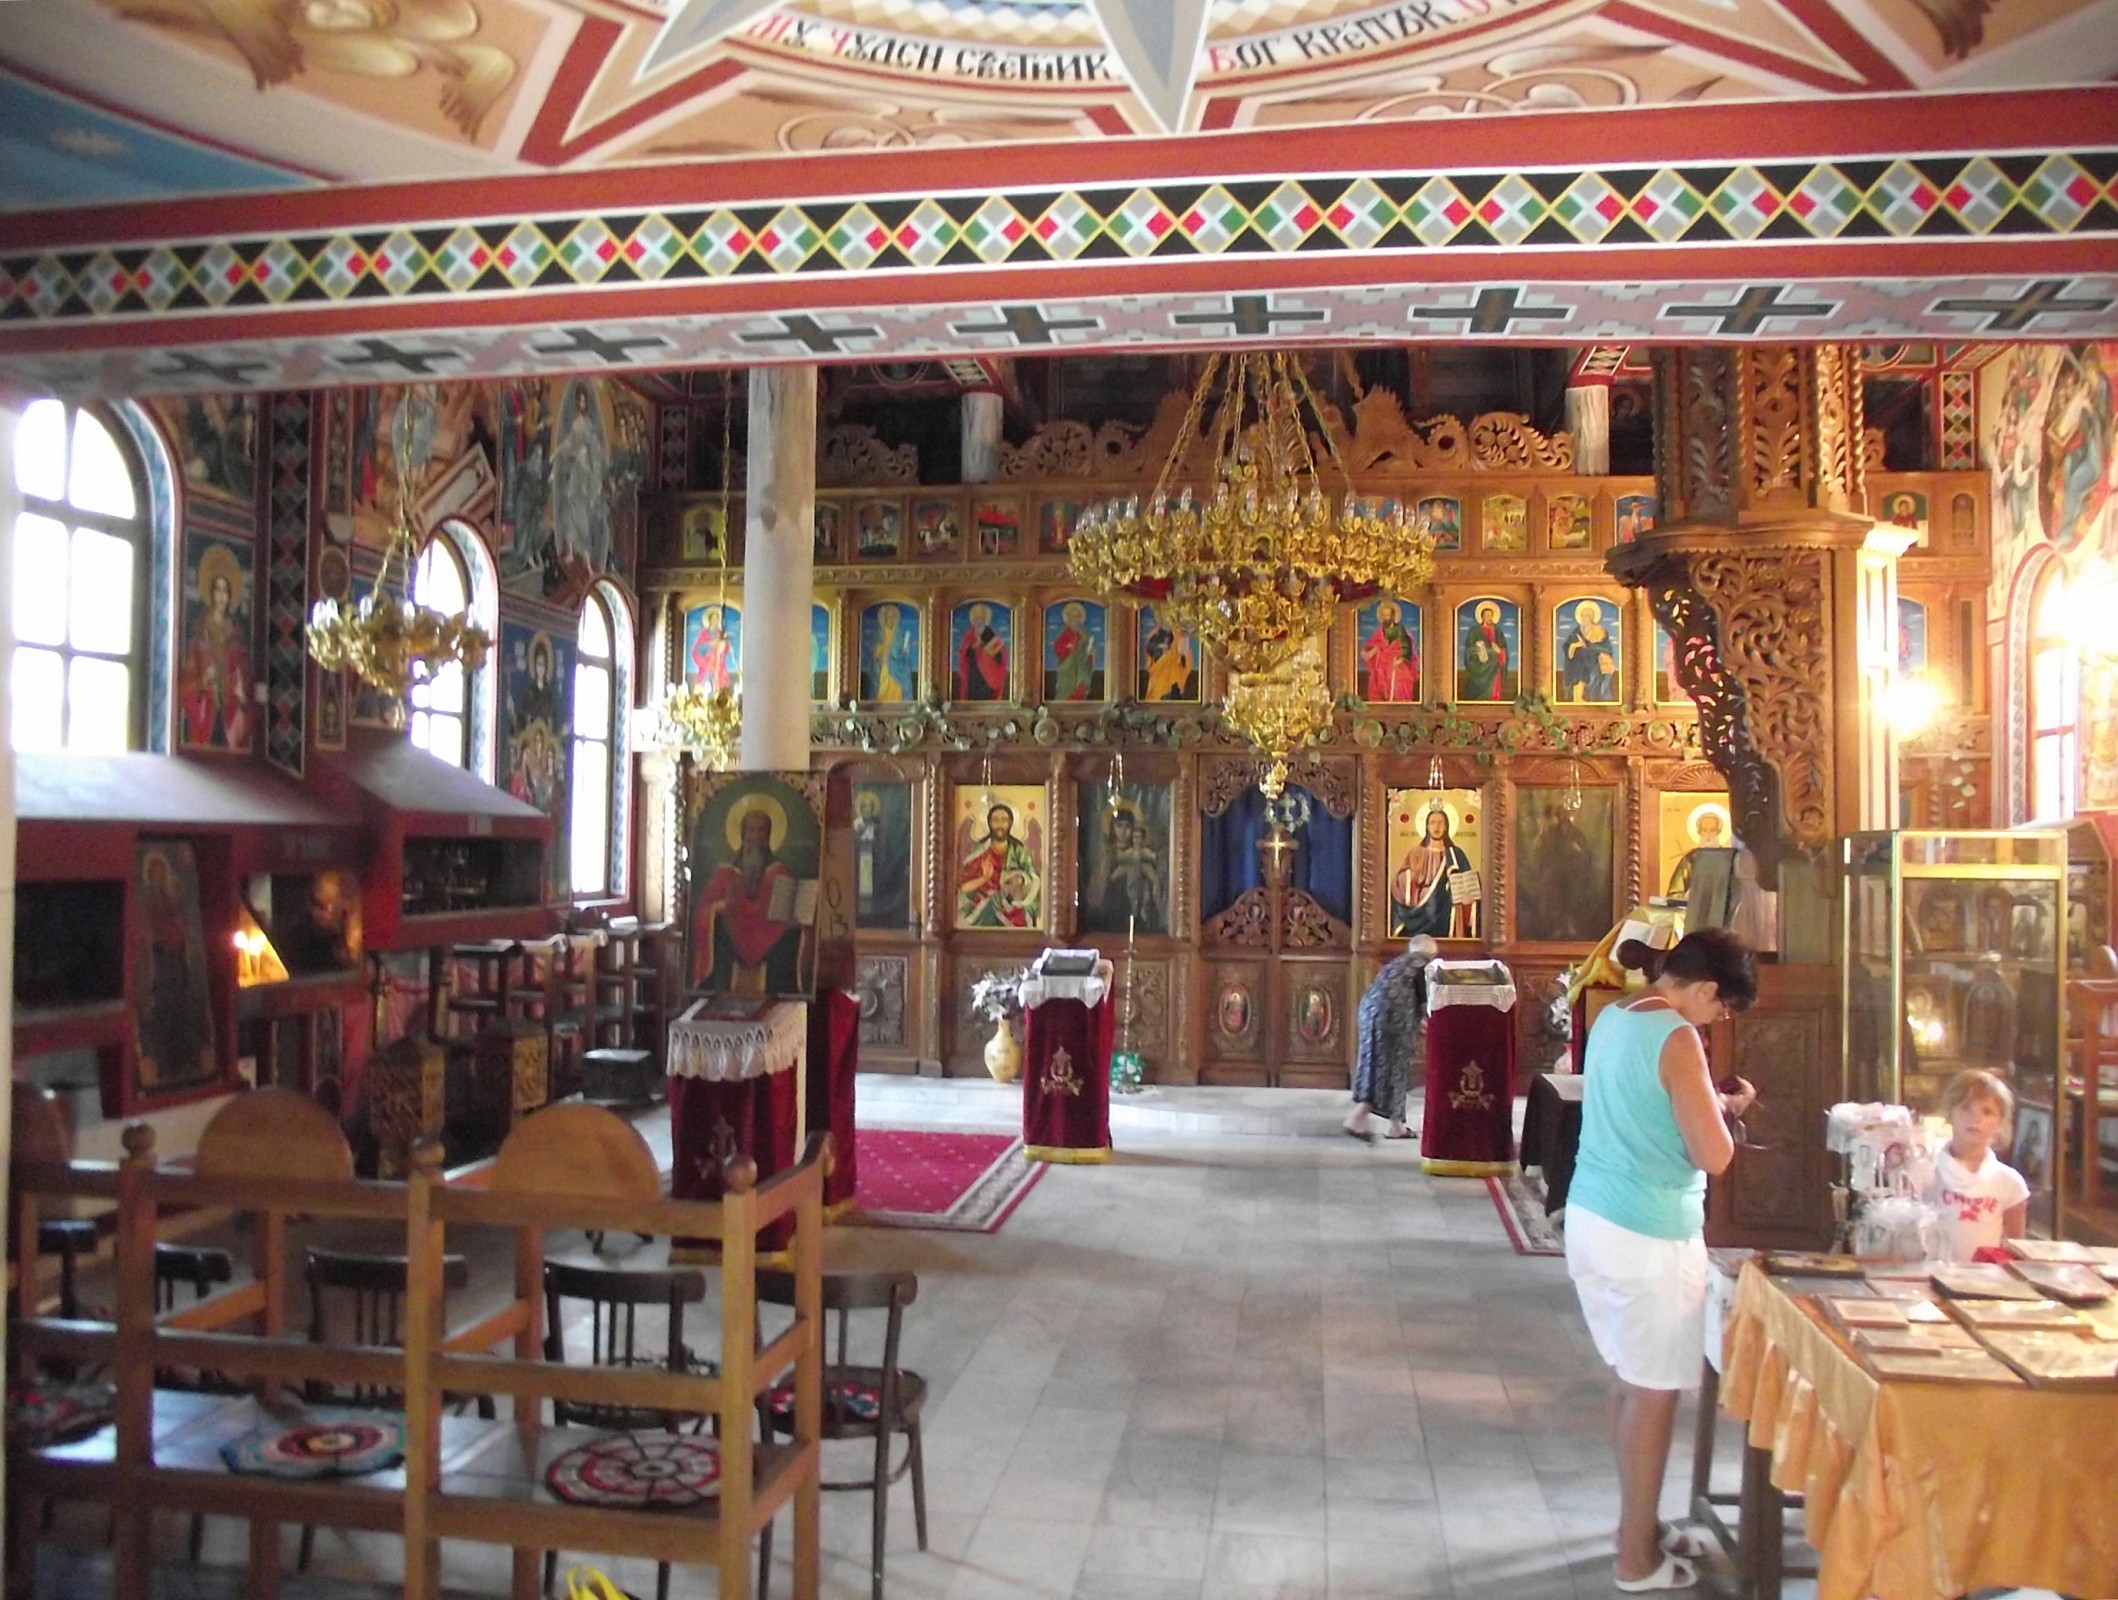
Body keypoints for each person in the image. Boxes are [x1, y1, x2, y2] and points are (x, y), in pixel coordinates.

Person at [1565, 928, 1757, 1592]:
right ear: (1705, 989)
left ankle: (1637, 1526)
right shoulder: (1677, 1037)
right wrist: (1732, 1111)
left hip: (1592, 1216)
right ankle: (1636, 1561)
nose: (1718, 1020)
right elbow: (1714, 1155)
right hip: (1648, 1234)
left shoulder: (1617, 1014)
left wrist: (1710, 1101)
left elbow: (1647, 1109)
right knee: (1653, 1396)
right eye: (1723, 1008)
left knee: (1628, 1381)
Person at [1921, 1069, 2030, 1262]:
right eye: (1965, 1108)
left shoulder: (2009, 1182)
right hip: (1931, 1273)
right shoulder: (1925, 1172)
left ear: (2000, 1122)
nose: (1975, 1118)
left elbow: (2015, 1249)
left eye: (1987, 1112)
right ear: (1950, 1113)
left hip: (1985, 1277)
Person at [691, 802, 799, 993]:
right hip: (731, 943)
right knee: (719, 924)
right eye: (751, 830)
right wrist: (718, 906)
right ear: (742, 834)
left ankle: (777, 992)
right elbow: (703, 909)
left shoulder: (780, 872)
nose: (756, 836)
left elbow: (789, 913)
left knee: (791, 935)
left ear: (769, 835)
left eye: (761, 830)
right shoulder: (726, 871)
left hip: (770, 945)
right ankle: (721, 989)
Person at [1345, 934, 1439, 1140]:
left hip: (1370, 1012)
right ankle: (1358, 1119)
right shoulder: (1422, 965)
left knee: (1376, 1066)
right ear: (1431, 953)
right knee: (1393, 1069)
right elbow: (1426, 1001)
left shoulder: (1398, 964)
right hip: (1392, 1019)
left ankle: (1396, 1125)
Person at [180, 546, 252, 750]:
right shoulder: (200, 633)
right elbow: (187, 680)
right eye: (217, 590)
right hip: (207, 708)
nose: (221, 596)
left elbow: (245, 673)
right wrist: (204, 680)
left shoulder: (236, 635)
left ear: (230, 595)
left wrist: (241, 691)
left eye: (225, 591)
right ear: (210, 593)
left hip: (230, 710)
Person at [1391, 805, 1473, 939]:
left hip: (1446, 912)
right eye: (1433, 823)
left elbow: (1468, 885)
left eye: (1441, 823)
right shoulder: (1416, 853)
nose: (1437, 826)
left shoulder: (1456, 854)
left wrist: (1465, 895)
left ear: (1446, 827)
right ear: (1427, 827)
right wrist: (1411, 876)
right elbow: (1398, 884)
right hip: (1419, 910)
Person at [958, 802, 1040, 928]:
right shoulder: (980, 852)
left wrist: (1020, 882)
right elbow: (963, 888)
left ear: (1010, 823)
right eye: (995, 820)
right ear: (989, 823)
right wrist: (984, 878)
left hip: (1012, 906)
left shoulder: (1018, 852)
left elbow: (1034, 880)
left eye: (1004, 820)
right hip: (983, 909)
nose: (1000, 824)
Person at [1361, 599, 1420, 702]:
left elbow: (1407, 649)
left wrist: (1399, 660)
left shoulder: (1401, 630)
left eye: (1387, 615)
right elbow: (1372, 645)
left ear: (1392, 616)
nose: (1385, 618)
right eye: (1383, 615)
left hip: (1398, 664)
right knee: (1376, 680)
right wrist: (1369, 652)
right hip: (1382, 666)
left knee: (1400, 686)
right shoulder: (1379, 631)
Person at [1561, 599, 1618, 702]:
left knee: (1587, 666)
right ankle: (1577, 697)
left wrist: (1587, 645)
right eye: (1583, 616)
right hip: (1580, 660)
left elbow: (1603, 647)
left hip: (1595, 659)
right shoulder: (1578, 630)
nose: (1585, 618)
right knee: (1578, 661)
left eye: (1587, 616)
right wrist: (1574, 645)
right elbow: (1567, 644)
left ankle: (1585, 697)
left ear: (1592, 617)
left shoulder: (1599, 630)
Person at [955, 603, 1009, 701]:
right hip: (973, 671)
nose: (978, 622)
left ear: (985, 620)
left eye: (981, 619)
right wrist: (972, 648)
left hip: (988, 672)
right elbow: (963, 652)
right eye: (976, 619)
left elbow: (1001, 653)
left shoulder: (990, 633)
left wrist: (987, 650)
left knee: (986, 694)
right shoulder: (970, 634)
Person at [1461, 601, 1510, 701]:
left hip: (1494, 666)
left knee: (1493, 686)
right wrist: (1479, 650)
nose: (1489, 618)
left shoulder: (1497, 630)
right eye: (1487, 616)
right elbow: (1469, 648)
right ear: (1482, 617)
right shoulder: (1475, 631)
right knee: (1478, 689)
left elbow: (1503, 647)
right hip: (1480, 665)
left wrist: (1499, 650)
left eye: (1491, 616)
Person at [1050, 601, 1098, 700]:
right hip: (1068, 667)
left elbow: (1089, 649)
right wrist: (1069, 647)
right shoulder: (1064, 633)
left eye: (1076, 617)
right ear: (1069, 619)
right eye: (1072, 617)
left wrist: (1091, 653)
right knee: (1066, 689)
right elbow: (1057, 647)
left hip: (1081, 667)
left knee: (1080, 687)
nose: (1075, 620)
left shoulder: (1084, 634)